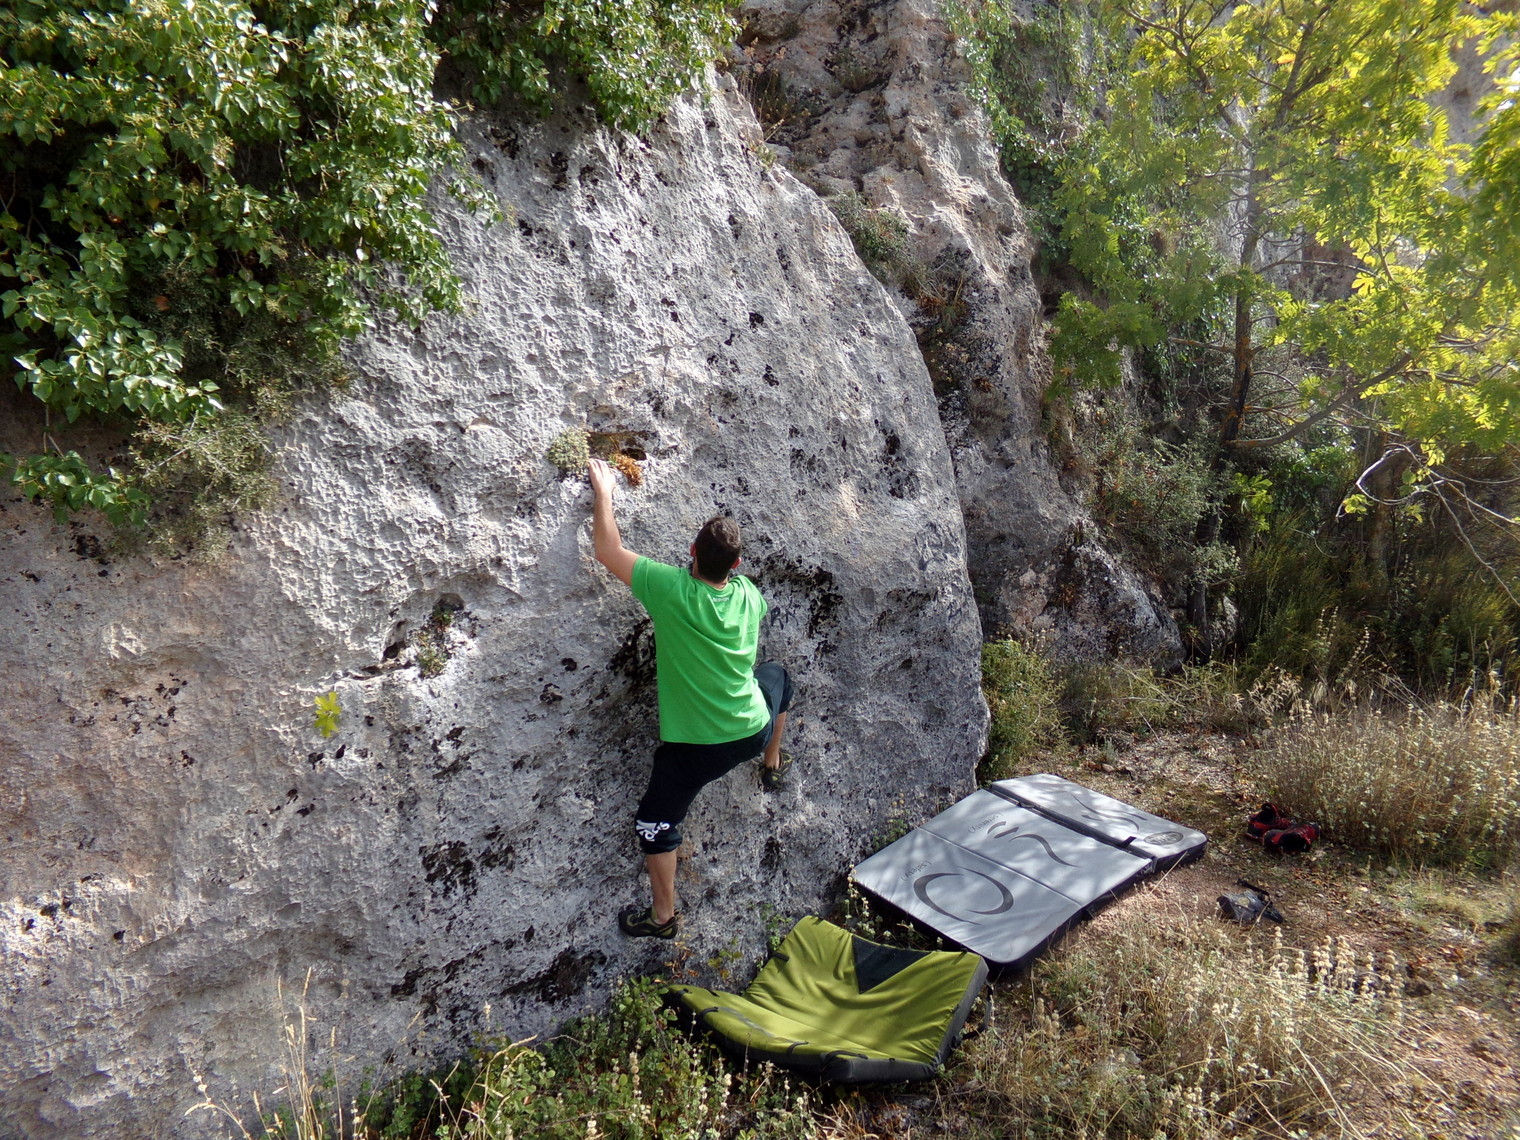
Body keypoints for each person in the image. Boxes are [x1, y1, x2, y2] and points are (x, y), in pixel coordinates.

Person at [586, 457, 793, 939]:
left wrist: (604, 492)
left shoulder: (671, 590)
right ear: (736, 566)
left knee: (655, 822)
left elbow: (607, 549)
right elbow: (735, 590)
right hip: (753, 726)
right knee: (779, 676)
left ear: (691, 551)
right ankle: (772, 761)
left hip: (701, 748)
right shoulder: (749, 594)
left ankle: (663, 919)